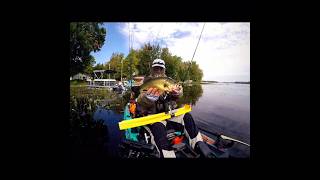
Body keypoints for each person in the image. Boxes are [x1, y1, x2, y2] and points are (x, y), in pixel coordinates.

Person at [136, 59, 213, 158]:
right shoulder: (147, 81)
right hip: (154, 118)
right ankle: (168, 155)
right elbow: (139, 100)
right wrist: (147, 98)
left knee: (187, 116)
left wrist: (178, 92)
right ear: (152, 69)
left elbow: (179, 90)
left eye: (161, 68)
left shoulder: (169, 80)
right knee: (158, 128)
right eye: (156, 68)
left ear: (164, 69)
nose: (158, 70)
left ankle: (199, 146)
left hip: (170, 115)